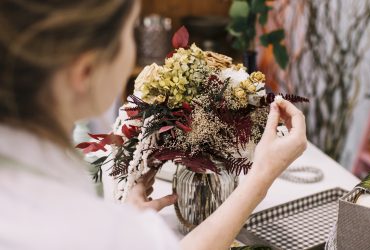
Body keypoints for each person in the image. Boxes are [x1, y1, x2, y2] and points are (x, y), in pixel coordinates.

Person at [0, 0, 307, 249]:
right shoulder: (84, 228)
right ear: (86, 70)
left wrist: (126, 222)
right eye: (129, 34)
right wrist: (262, 174)